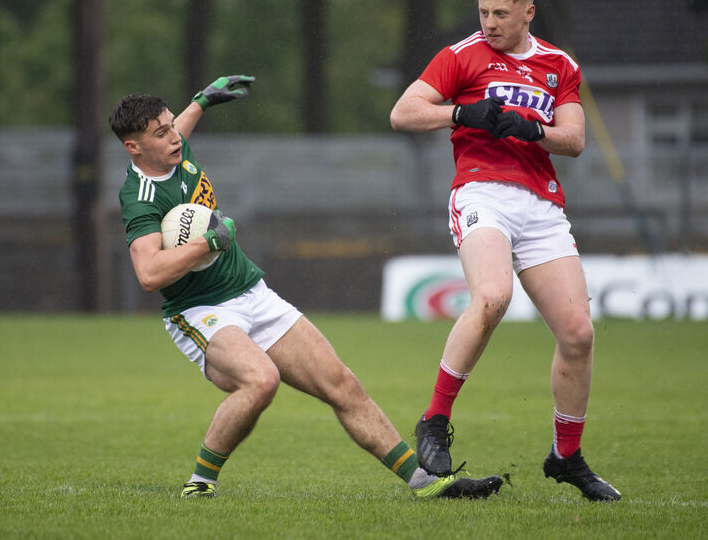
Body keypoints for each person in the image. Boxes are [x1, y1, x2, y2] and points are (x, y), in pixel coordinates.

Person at [110, 76, 505, 500]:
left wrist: (203, 100)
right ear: (134, 148)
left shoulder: (173, 150)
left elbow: (179, 129)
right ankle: (200, 483)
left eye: (171, 125)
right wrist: (208, 242)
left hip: (252, 293)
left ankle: (425, 484)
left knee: (342, 384)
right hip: (202, 311)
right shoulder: (140, 198)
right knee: (261, 381)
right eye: (160, 132)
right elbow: (149, 274)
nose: (173, 136)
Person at [389, 0, 621, 502]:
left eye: (500, 13)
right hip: (480, 192)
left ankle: (567, 457)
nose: (489, 23)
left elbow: (575, 140)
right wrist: (462, 114)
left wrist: (530, 128)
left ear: (528, 12)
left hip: (540, 205)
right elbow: (403, 113)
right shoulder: (462, 55)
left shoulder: (558, 64)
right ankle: (434, 422)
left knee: (579, 334)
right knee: (492, 296)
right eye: (483, 12)